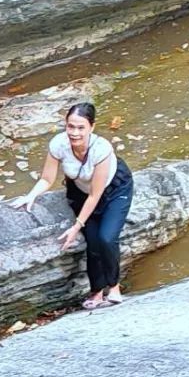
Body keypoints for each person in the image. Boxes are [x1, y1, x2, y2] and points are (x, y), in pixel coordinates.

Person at [17, 102, 134, 310]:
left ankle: (114, 287)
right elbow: (47, 178)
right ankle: (96, 291)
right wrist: (31, 196)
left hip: (113, 190)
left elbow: (96, 194)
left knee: (106, 237)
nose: (74, 133)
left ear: (92, 127)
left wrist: (76, 226)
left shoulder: (101, 149)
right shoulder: (58, 144)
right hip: (81, 192)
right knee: (93, 242)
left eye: (80, 128)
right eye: (71, 126)